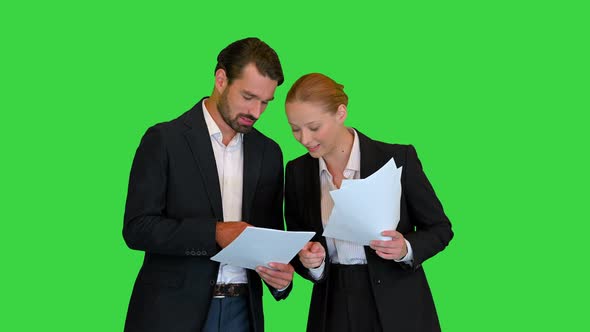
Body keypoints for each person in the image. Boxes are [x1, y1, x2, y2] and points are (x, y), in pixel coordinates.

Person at [123, 37, 294, 332]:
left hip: (243, 314)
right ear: (220, 79)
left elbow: (269, 235)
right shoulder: (164, 140)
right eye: (248, 97)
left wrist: (280, 278)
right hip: (171, 314)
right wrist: (214, 232)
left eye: (265, 103)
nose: (256, 112)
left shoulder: (269, 152)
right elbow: (137, 228)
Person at [284, 73, 453, 332]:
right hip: (332, 307)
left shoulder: (397, 158)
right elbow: (298, 245)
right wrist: (311, 262)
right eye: (295, 129)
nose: (304, 139)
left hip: (398, 305)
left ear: (341, 113)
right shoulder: (296, 172)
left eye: (314, 127)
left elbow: (440, 228)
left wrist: (406, 248)